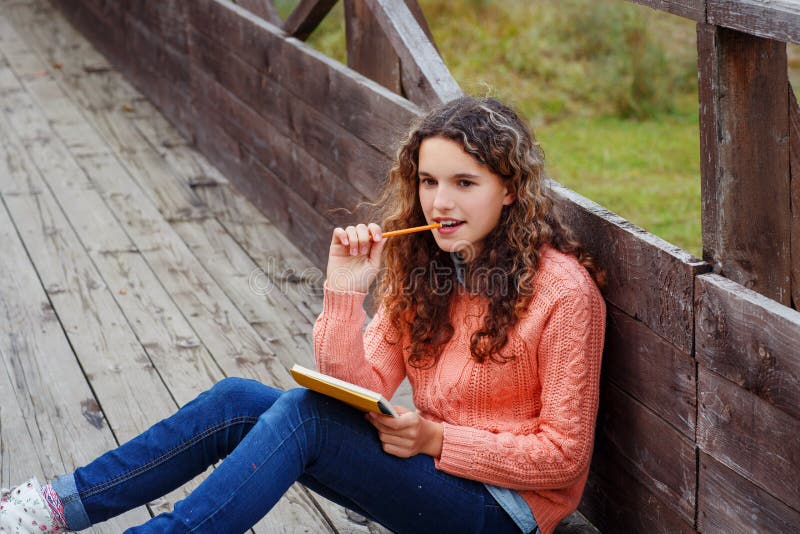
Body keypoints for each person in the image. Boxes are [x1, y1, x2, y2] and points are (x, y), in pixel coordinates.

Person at [0, 96, 605, 534]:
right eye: (427, 182)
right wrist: (343, 293)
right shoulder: (428, 269)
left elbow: (565, 456)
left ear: (509, 190)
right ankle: (54, 508)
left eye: (464, 183)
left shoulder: (562, 293)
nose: (440, 202)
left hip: (502, 511)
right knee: (239, 399)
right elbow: (359, 392)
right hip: (427, 469)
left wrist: (437, 437)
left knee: (302, 418)